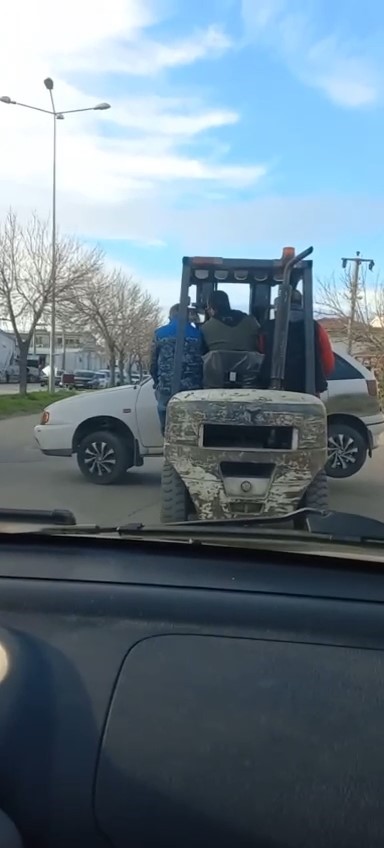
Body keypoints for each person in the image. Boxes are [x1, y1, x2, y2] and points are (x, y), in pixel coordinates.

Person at [257, 289, 335, 394]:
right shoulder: (315, 327)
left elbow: (260, 353)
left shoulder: (267, 328)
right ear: (301, 303)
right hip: (307, 389)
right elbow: (327, 362)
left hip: (272, 388)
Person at [150, 304, 203, 436]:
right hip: (192, 387)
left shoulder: (159, 333)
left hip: (167, 385)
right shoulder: (198, 334)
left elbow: (153, 364)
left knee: (165, 413)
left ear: (171, 316)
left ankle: (167, 436)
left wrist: (157, 382)